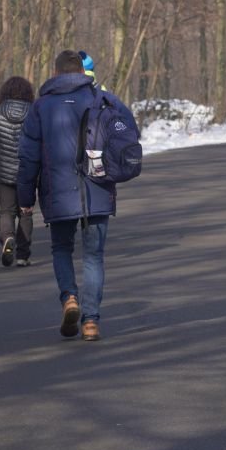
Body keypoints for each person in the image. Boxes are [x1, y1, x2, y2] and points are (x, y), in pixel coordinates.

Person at [18, 50, 135, 342]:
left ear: (55, 73)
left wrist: (25, 196)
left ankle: (69, 297)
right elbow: (130, 132)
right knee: (94, 256)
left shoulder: (41, 107)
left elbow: (28, 156)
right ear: (83, 73)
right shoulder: (103, 99)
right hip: (98, 187)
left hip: (58, 191)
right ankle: (91, 321)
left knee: (61, 249)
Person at [0, 75, 36, 267]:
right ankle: (23, 255)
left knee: (6, 211)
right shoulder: (34, 113)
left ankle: (7, 237)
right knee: (26, 212)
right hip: (27, 170)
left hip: (3, 171)